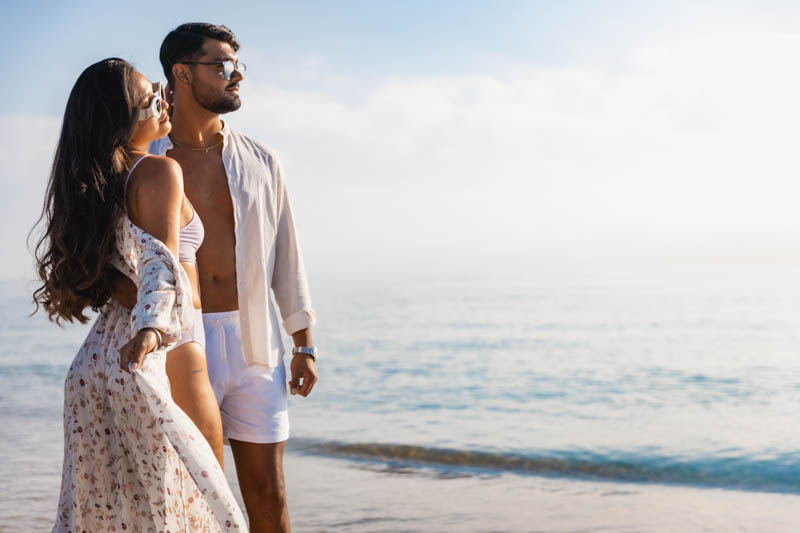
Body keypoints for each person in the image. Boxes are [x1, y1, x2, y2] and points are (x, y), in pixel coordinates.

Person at [115, 23, 319, 532]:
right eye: (222, 66)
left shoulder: (261, 160)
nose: (236, 77)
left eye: (238, 66)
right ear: (182, 74)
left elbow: (287, 257)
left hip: (255, 343)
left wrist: (304, 343)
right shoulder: (145, 161)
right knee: (198, 497)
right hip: (181, 342)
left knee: (268, 496)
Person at [33, 57, 246, 532]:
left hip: (100, 362)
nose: (162, 100)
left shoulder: (98, 186)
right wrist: (153, 329)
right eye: (150, 98)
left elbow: (120, 274)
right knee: (204, 510)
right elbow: (161, 269)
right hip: (163, 352)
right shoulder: (158, 171)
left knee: (118, 515)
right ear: (118, 120)